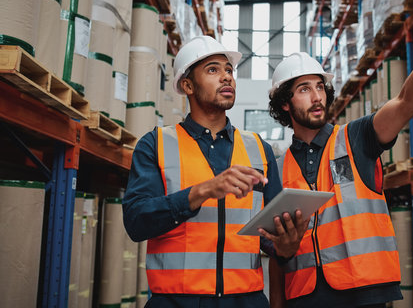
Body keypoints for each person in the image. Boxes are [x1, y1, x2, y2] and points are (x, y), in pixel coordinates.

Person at [264, 0, 413, 308]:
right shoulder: (276, 167)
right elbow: (276, 255)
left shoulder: (356, 137)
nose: (317, 96)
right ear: (285, 104)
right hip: (304, 298)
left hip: (364, 293)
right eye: (304, 89)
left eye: (320, 87)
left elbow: (407, 101)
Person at [123, 36, 308, 308]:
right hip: (176, 302)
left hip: (246, 301)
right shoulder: (156, 144)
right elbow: (136, 222)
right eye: (213, 70)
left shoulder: (259, 149)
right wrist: (201, 192)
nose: (227, 78)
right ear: (187, 85)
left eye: (229, 70)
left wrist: (286, 246)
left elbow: (271, 239)